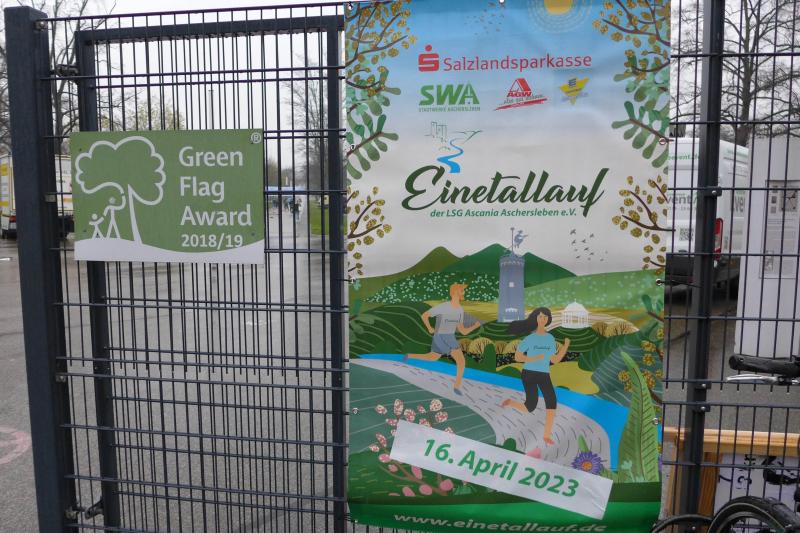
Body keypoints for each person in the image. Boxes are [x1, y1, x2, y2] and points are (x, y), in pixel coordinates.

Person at [500, 307, 570, 446]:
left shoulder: (550, 338)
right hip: (529, 374)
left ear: (548, 319)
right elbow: (518, 357)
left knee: (552, 401)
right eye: (540, 316)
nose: (543, 319)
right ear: (535, 319)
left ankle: (546, 436)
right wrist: (534, 358)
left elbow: (555, 360)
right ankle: (511, 402)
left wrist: (566, 346)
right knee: (530, 407)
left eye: (545, 317)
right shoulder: (530, 338)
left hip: (544, 374)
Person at [405, 283, 481, 394]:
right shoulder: (444, 306)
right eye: (461, 290)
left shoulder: (460, 310)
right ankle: (456, 387)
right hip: (444, 336)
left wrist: (475, 326)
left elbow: (463, 331)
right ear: (455, 292)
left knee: (432, 357)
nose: (463, 293)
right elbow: (424, 315)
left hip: (444, 336)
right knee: (461, 361)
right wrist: (429, 328)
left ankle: (409, 356)